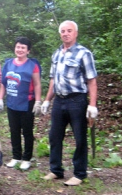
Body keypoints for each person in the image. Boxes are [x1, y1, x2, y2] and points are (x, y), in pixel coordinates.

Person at [41, 20, 98, 186]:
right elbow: (53, 79)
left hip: (77, 101)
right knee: (54, 136)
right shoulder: (56, 54)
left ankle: (79, 173)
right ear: (60, 34)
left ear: (76, 33)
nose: (66, 33)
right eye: (63, 31)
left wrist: (92, 104)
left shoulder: (84, 53)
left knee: (80, 137)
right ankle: (56, 170)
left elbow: (92, 81)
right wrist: (47, 100)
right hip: (59, 101)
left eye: (69, 31)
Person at [0, 37, 42, 170]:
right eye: (18, 47)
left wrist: (38, 101)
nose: (20, 49)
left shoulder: (32, 65)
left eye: (23, 47)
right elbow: (3, 83)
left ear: (28, 50)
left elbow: (37, 84)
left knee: (27, 132)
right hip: (12, 103)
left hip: (27, 102)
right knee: (14, 130)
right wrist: (0, 98)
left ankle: (27, 158)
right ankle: (16, 156)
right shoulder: (8, 64)